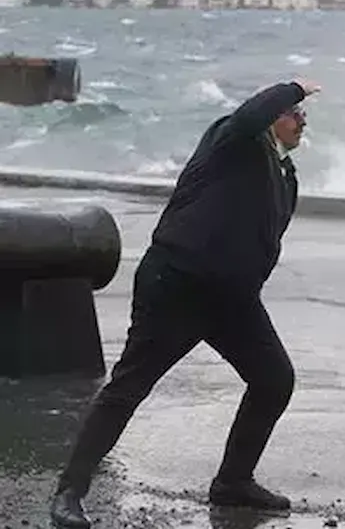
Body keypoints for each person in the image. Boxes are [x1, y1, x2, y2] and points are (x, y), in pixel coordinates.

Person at [50, 78, 321, 528]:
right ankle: (69, 493)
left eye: (301, 113)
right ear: (272, 115)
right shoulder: (232, 139)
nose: (302, 119)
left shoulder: (284, 174)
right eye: (294, 112)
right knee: (128, 389)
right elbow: (249, 116)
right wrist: (294, 87)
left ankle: (234, 481)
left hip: (232, 300)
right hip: (177, 286)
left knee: (274, 379)